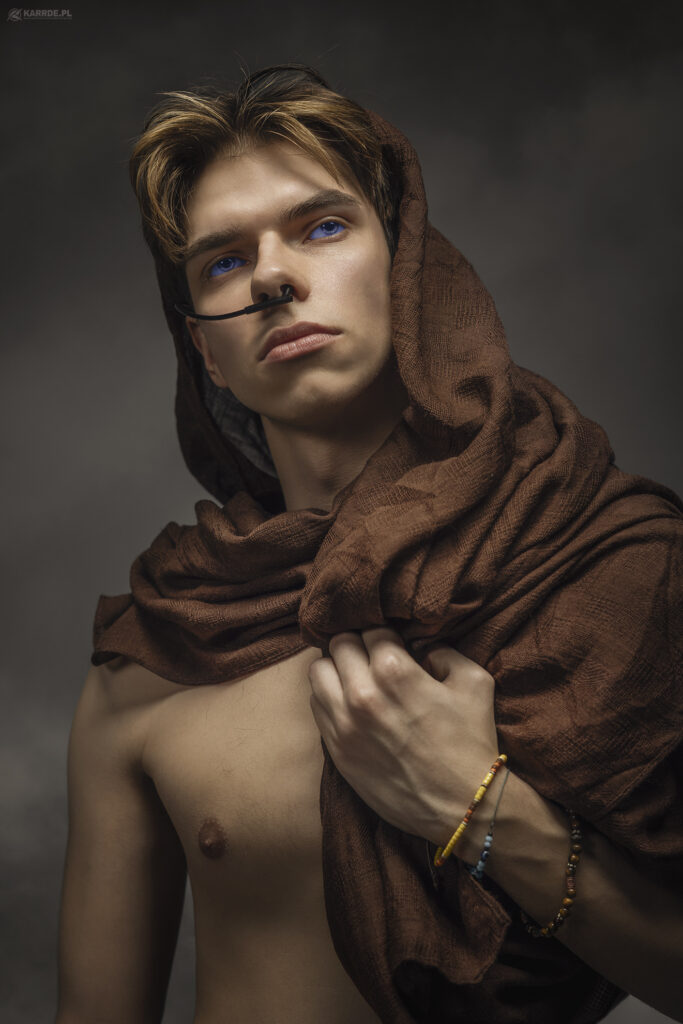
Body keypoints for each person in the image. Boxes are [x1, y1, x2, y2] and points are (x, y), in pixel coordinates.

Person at [56, 65, 683, 1024]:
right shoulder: (156, 656)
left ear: (405, 266)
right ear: (205, 348)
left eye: (321, 227)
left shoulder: (607, 565)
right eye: (223, 262)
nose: (271, 276)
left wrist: (478, 808)